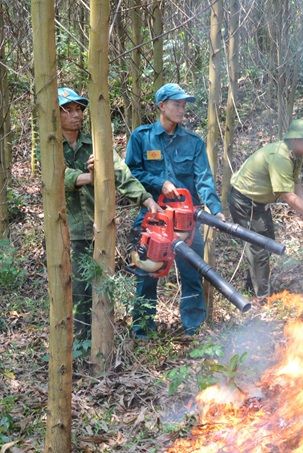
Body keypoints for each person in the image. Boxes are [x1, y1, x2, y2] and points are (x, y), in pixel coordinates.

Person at [57, 87, 159, 343]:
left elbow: (121, 172)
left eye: (79, 109)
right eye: (68, 110)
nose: (75, 114)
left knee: (102, 287)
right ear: (56, 115)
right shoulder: (51, 144)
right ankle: (80, 344)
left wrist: (146, 199)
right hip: (66, 230)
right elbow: (56, 177)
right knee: (77, 291)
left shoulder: (95, 142)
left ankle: (102, 341)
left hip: (98, 227)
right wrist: (90, 177)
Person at [125, 83, 225, 338]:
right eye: (176, 104)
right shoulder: (141, 137)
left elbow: (203, 178)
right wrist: (160, 183)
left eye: (183, 105)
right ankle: (143, 330)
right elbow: (131, 172)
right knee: (147, 272)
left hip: (186, 222)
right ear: (162, 106)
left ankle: (194, 327)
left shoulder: (193, 142)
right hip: (154, 217)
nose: (181, 109)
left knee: (191, 272)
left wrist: (215, 208)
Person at [228, 118, 303, 303]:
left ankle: (252, 286)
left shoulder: (295, 155)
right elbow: (287, 195)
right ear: (295, 140)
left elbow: (295, 182)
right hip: (244, 200)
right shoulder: (280, 157)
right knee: (258, 247)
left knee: (267, 243)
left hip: (260, 203)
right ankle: (262, 298)